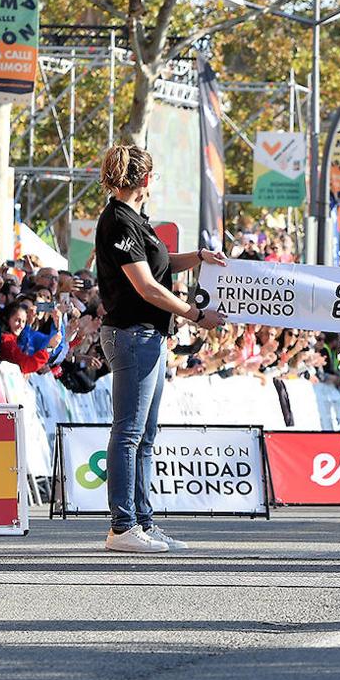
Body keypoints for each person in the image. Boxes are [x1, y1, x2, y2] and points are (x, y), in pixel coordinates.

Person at [95, 145, 227, 554]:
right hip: (132, 334)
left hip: (149, 336)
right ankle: (122, 526)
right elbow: (147, 286)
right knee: (129, 433)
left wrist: (199, 257)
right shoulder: (117, 220)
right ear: (146, 180)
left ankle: (142, 522)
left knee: (145, 436)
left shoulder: (137, 221)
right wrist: (194, 313)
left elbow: (161, 263)